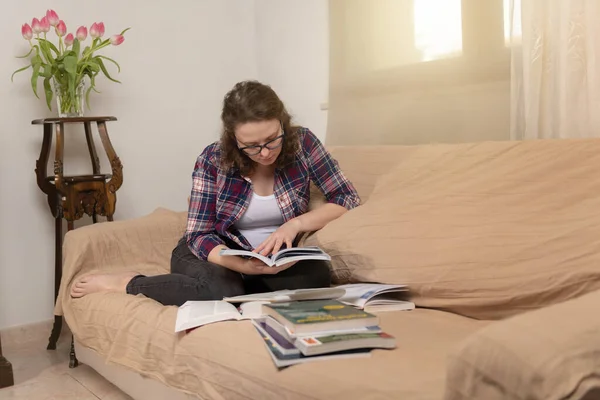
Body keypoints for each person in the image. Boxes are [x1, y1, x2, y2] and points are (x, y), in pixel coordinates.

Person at [70, 80, 361, 306]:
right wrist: (241, 264)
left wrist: (295, 225)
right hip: (211, 253)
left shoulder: (303, 144)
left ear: (282, 123)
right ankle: (128, 283)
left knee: (317, 274)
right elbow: (199, 234)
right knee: (223, 288)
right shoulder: (213, 159)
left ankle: (244, 292)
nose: (264, 152)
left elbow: (345, 197)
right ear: (234, 140)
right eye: (251, 145)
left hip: (273, 259)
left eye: (272, 140)